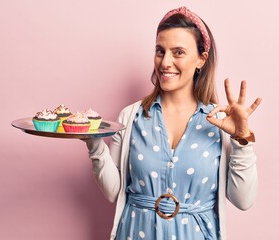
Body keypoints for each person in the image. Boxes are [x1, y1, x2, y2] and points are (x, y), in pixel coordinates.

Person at [85, 6, 262, 240]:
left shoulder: (220, 123)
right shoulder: (131, 117)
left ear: (201, 59)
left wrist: (242, 139)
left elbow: (243, 200)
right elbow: (113, 192)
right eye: (160, 51)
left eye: (178, 52)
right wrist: (94, 143)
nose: (165, 62)